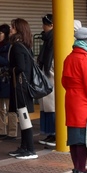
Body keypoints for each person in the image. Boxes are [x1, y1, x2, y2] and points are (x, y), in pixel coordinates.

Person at [62, 25, 87, 173]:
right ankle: (82, 170)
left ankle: (77, 169)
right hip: (83, 102)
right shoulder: (86, 59)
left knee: (74, 138)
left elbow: (64, 81)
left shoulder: (69, 58)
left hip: (71, 99)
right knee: (84, 138)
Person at [7, 17, 38, 160]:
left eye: (12, 27)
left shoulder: (17, 47)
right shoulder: (26, 45)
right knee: (22, 116)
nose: (10, 30)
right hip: (24, 86)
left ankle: (29, 149)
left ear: (18, 30)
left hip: (20, 87)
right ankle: (24, 146)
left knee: (24, 117)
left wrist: (10, 69)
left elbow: (20, 67)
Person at [37, 14, 57, 148]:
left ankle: (55, 134)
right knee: (48, 107)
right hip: (46, 76)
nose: (42, 27)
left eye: (44, 24)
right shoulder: (47, 39)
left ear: (51, 25)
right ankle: (51, 133)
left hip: (50, 76)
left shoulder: (53, 39)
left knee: (52, 107)